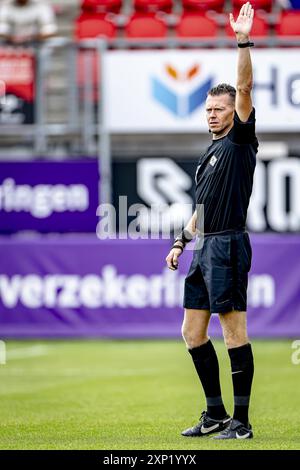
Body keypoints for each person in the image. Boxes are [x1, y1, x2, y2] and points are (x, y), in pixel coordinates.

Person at [165, 2, 258, 440]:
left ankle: (241, 421)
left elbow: (244, 86)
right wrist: (180, 242)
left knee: (232, 329)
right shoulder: (208, 154)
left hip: (229, 245)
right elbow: (200, 212)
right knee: (191, 331)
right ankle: (216, 413)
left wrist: (242, 40)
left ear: (233, 111)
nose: (213, 114)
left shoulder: (240, 141)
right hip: (204, 247)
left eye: (219, 109)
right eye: (208, 110)